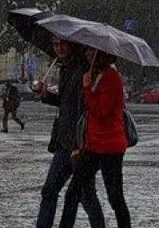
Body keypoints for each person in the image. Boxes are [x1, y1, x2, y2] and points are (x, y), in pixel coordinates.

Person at [33, 39, 104, 228]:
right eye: (55, 44)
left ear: (72, 45)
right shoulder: (66, 69)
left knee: (86, 196)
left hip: (80, 146)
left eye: (62, 44)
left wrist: (80, 146)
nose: (58, 48)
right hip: (64, 144)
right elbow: (66, 102)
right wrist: (46, 94)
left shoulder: (83, 70)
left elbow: (85, 109)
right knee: (49, 191)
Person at [62, 47, 131, 228]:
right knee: (73, 192)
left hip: (110, 147)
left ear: (103, 54)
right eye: (87, 51)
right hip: (93, 147)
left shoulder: (111, 77)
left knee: (115, 198)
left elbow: (100, 111)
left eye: (92, 52)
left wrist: (87, 87)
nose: (87, 54)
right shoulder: (97, 75)